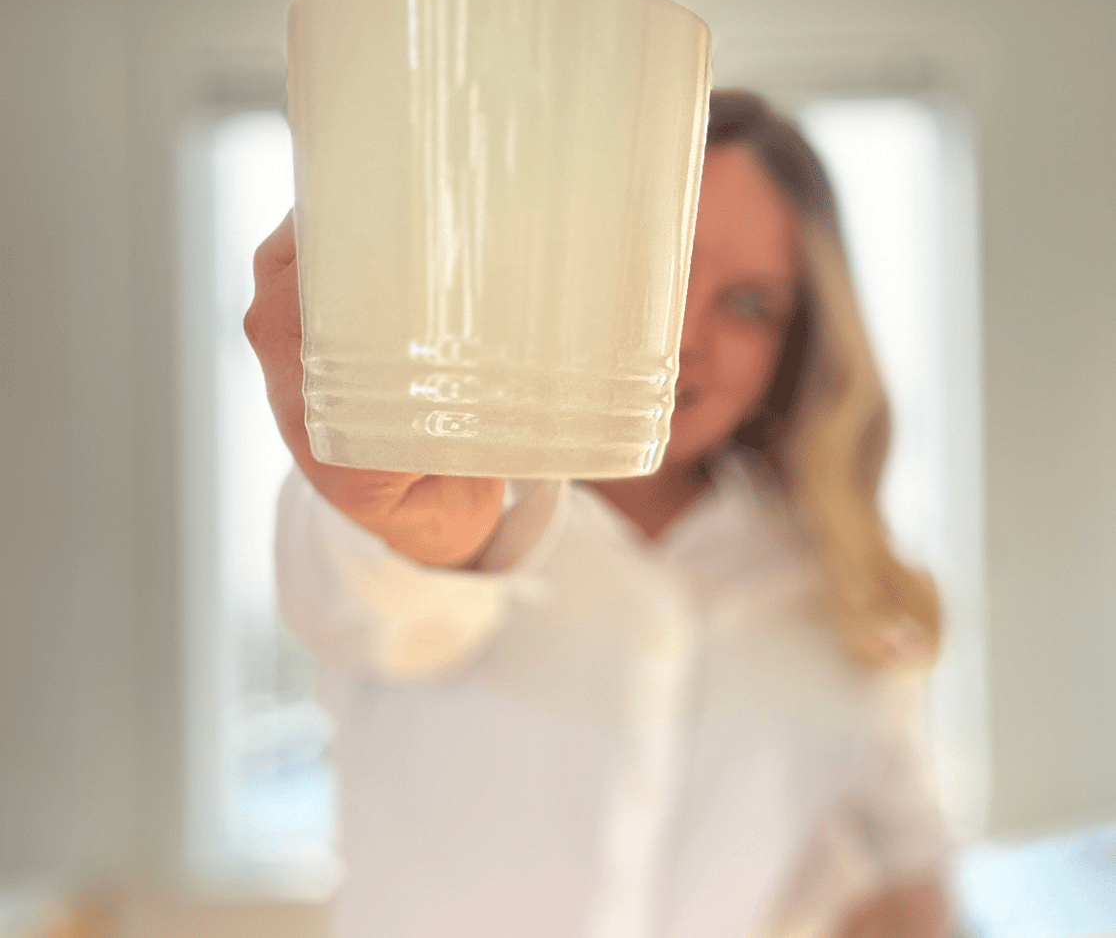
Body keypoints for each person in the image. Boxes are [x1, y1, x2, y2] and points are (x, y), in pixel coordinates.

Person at [245, 89, 953, 938]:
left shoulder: (837, 590)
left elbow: (906, 862)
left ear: (793, 343)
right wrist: (422, 515)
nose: (684, 340)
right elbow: (353, 579)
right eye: (655, 268)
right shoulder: (450, 493)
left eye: (748, 304)